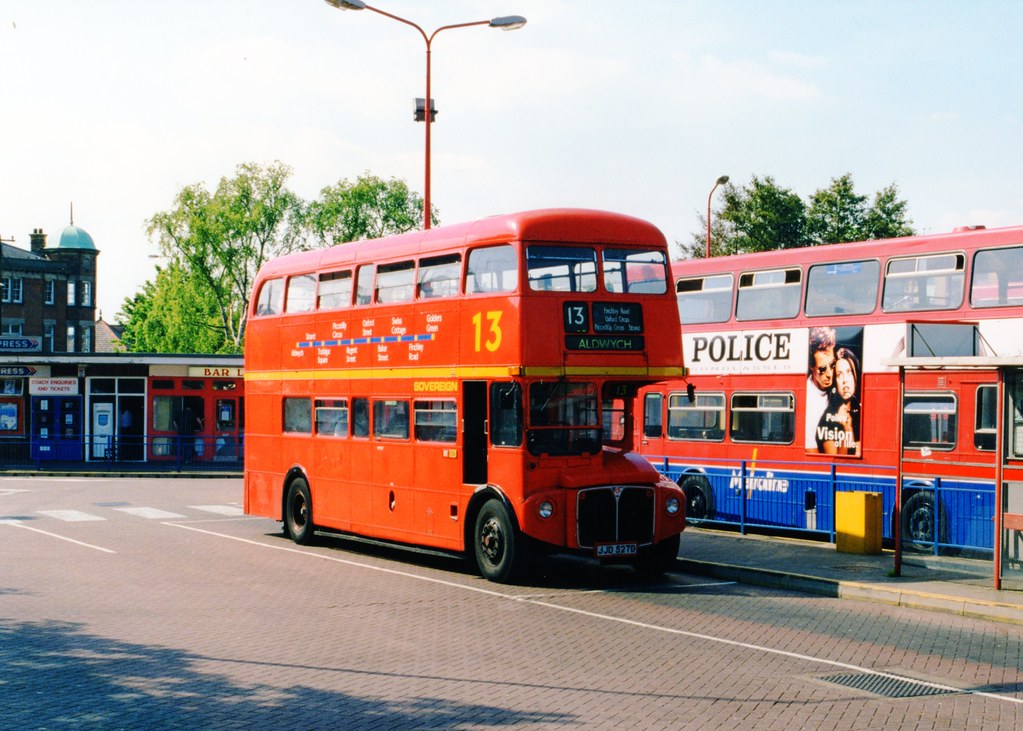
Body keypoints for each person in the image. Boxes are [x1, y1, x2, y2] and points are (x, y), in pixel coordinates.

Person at [815, 347, 861, 456]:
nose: (845, 380)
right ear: (835, 381)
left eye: (849, 372)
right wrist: (847, 428)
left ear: (856, 375)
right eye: (839, 375)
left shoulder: (863, 412)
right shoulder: (827, 421)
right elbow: (837, 460)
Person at [805, 326, 836, 449]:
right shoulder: (807, 400)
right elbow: (810, 450)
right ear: (811, 366)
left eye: (832, 365)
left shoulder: (837, 385)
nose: (829, 374)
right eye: (822, 369)